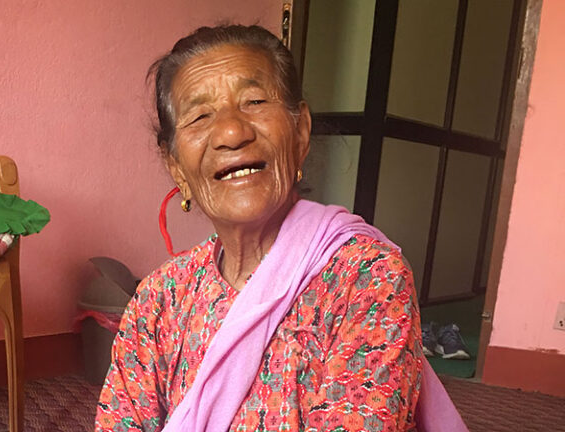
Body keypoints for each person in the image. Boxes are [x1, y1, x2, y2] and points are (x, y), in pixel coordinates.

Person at [95, 25, 424, 432]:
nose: (232, 132)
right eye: (199, 116)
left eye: (254, 101)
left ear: (301, 131)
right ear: (176, 166)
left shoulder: (366, 278)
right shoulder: (160, 299)